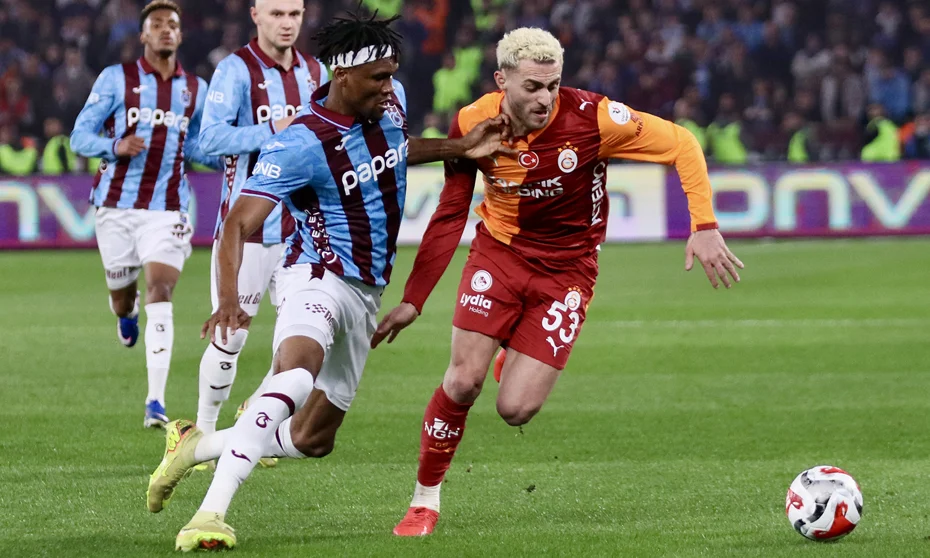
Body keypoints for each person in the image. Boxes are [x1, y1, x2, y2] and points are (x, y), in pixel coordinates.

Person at [144, 11, 515, 551]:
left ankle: (195, 447)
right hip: (315, 275)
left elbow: (395, 149)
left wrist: (457, 149)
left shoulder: (387, 107)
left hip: (366, 292)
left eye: (392, 76)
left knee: (312, 439)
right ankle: (209, 515)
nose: (390, 88)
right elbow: (238, 224)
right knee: (295, 377)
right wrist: (227, 300)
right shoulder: (300, 142)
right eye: (379, 78)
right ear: (343, 76)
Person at [370, 27, 744, 537]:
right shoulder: (473, 122)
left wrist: (704, 225)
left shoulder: (595, 118)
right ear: (502, 80)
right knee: (462, 381)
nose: (545, 98)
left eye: (552, 85)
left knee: (515, 409)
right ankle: (424, 501)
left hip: (568, 270)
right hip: (499, 255)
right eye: (532, 87)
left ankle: (511, 346)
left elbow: (682, 142)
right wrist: (414, 299)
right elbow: (452, 210)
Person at [70, 0, 218, 428]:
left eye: (172, 24)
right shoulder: (116, 79)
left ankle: (155, 401)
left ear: (181, 35)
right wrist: (114, 146)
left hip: (168, 207)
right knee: (122, 298)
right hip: (115, 207)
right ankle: (126, 313)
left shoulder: (196, 89)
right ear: (143, 35)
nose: (166, 30)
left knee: (162, 289)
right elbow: (79, 136)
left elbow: (197, 145)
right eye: (157, 24)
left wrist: (232, 156)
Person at [195, 0, 329, 466]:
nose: (287, 23)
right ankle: (201, 435)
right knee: (231, 336)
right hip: (248, 231)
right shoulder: (235, 71)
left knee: (300, 341)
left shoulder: (316, 71)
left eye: (294, 14)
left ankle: (252, 420)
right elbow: (210, 139)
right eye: (277, 14)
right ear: (256, 15)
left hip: (302, 234)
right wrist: (273, 127)